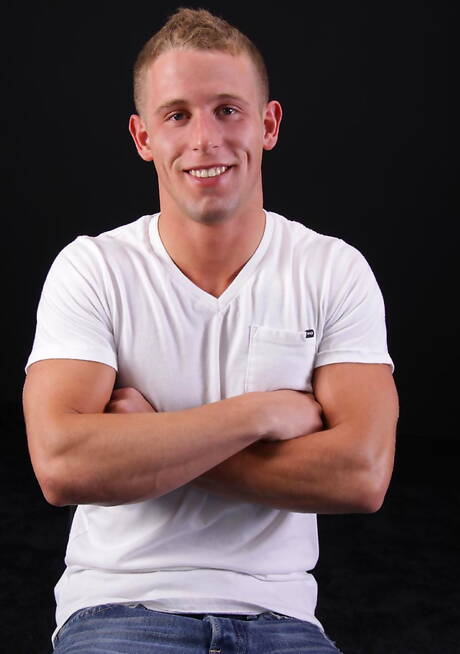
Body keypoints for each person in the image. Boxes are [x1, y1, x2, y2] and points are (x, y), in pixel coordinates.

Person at [23, 7, 399, 654]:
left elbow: (361, 476)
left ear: (268, 124)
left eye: (228, 110)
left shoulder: (332, 269)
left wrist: (149, 442)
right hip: (119, 611)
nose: (205, 138)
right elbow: (61, 464)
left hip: (281, 618)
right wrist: (260, 414)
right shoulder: (93, 268)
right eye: (177, 115)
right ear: (143, 137)